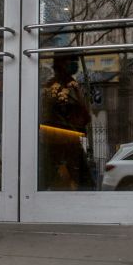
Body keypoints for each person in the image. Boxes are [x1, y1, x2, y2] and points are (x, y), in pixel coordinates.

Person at [39, 54, 94, 190]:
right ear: (62, 64)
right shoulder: (59, 87)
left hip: (61, 140)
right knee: (83, 184)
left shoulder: (66, 85)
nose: (75, 64)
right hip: (63, 141)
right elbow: (82, 115)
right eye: (72, 61)